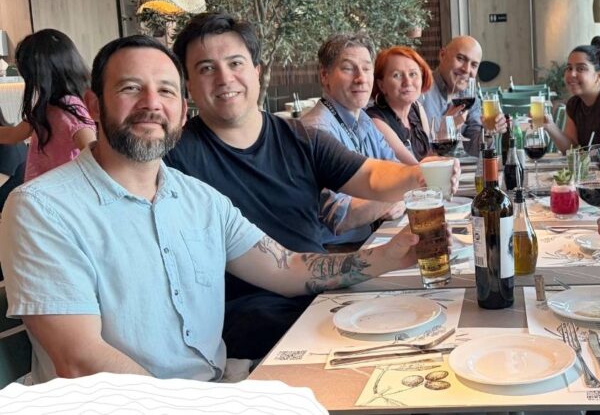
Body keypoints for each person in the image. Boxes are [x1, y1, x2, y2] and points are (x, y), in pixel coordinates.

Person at [0, 35, 420, 384]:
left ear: (183, 110)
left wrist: (387, 256)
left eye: (165, 90)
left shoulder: (200, 199)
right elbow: (80, 360)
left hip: (218, 387)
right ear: (93, 106)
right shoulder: (42, 209)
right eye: (130, 88)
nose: (151, 103)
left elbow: (288, 267)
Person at [165, 13, 444, 359]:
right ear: (188, 84)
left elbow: (370, 176)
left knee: (426, 321)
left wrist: (420, 176)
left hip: (320, 290)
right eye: (206, 68)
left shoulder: (299, 137)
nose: (224, 78)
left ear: (257, 70)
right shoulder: (176, 161)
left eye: (235, 63)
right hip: (248, 315)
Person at [301, 33, 404, 245]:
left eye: (366, 68)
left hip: (374, 240)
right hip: (336, 255)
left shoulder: (363, 118)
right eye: (348, 68)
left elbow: (396, 172)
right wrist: (400, 193)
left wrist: (400, 188)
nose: (361, 78)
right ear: (324, 76)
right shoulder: (316, 130)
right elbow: (340, 216)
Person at [0, 29, 96, 182]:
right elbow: (14, 134)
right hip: (44, 194)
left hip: (62, 196)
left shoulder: (70, 109)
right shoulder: (47, 106)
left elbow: (94, 156)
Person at [542, 44, 600, 167]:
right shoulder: (574, 104)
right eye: (569, 68)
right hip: (591, 178)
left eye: (580, 68)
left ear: (599, 76)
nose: (572, 74)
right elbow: (571, 149)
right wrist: (549, 125)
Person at [418, 36, 505, 156]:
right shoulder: (419, 90)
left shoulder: (469, 95)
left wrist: (488, 132)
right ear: (442, 55)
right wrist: (444, 131)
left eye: (474, 65)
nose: (466, 69)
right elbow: (414, 151)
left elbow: (473, 148)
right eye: (460, 58)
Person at [366, 46, 433, 164]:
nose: (407, 82)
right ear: (381, 85)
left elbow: (429, 157)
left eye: (413, 74)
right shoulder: (376, 121)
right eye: (397, 75)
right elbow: (413, 167)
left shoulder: (417, 109)